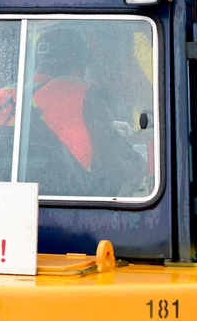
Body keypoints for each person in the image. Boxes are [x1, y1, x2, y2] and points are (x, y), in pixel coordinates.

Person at [26, 27, 145, 197]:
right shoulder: (85, 95)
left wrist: (105, 127)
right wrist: (140, 164)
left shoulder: (4, 97)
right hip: (77, 202)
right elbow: (116, 172)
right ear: (76, 69)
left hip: (19, 202)